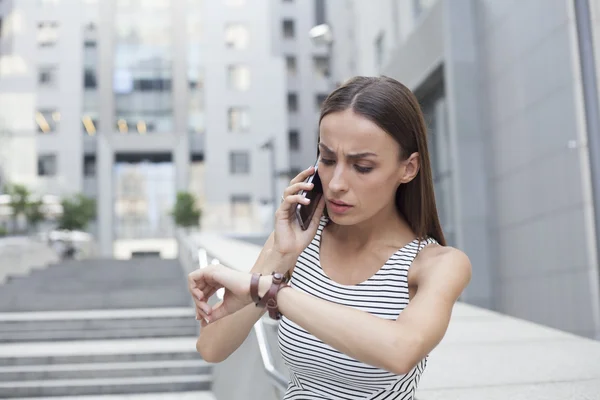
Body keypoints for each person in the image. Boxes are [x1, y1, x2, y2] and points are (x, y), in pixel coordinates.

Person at [187, 76, 472, 399]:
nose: (336, 183)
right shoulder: (297, 243)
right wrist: (281, 255)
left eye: (361, 166)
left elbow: (400, 350)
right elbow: (212, 348)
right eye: (327, 159)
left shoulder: (437, 264)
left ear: (408, 168)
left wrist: (271, 291)